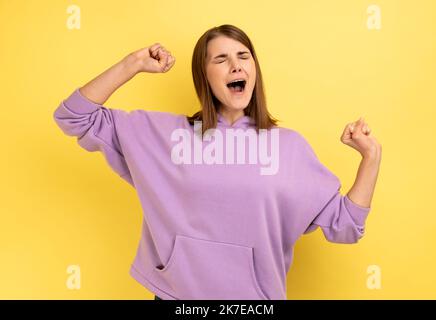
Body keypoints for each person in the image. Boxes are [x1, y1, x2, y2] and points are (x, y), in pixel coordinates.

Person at [53, 24, 382, 300]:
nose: (236, 66)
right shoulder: (167, 135)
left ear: (254, 69)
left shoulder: (288, 148)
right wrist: (132, 63)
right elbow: (73, 116)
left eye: (243, 56)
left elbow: (347, 226)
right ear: (204, 76)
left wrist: (371, 157)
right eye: (221, 59)